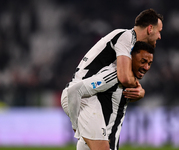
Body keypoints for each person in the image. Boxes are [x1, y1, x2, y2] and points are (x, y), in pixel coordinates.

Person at [61, 8, 163, 149]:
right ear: (150, 28)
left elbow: (125, 80)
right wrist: (139, 88)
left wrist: (139, 91)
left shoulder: (129, 49)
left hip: (90, 93)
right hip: (83, 95)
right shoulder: (126, 36)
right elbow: (124, 77)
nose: (160, 37)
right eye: (159, 31)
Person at [62, 41, 154, 150]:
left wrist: (140, 93)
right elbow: (75, 90)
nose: (146, 67)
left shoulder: (129, 81)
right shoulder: (114, 75)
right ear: (130, 57)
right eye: (143, 61)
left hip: (101, 141)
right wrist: (75, 125)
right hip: (98, 140)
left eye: (149, 63)